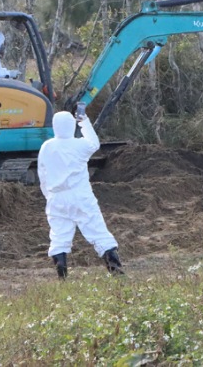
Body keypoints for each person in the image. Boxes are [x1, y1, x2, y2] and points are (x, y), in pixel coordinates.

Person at [38, 109, 122, 279]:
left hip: (56, 197)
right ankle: (117, 274)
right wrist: (84, 121)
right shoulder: (79, 145)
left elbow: (43, 174)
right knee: (98, 232)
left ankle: (62, 279)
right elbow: (94, 144)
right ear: (71, 126)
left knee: (59, 237)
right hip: (80, 195)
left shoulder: (47, 146)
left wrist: (49, 196)